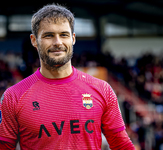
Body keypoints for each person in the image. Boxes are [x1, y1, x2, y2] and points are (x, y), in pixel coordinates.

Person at [0, 4, 135, 150]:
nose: (57, 42)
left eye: (64, 35)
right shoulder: (13, 96)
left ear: (73, 38)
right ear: (34, 40)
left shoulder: (102, 90)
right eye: (48, 35)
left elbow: (121, 145)